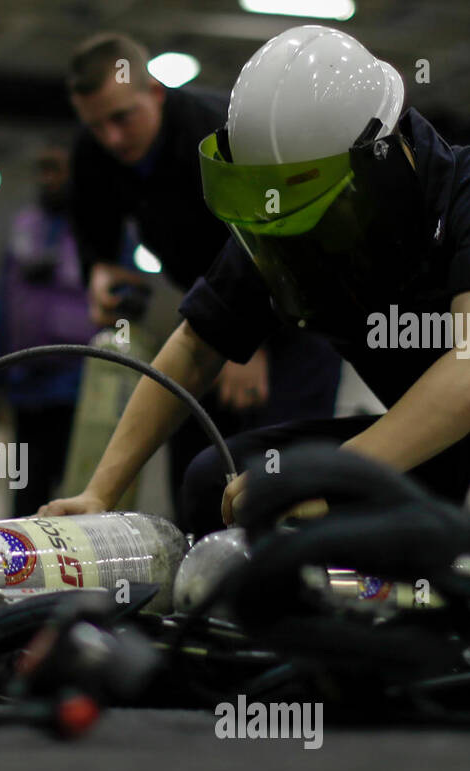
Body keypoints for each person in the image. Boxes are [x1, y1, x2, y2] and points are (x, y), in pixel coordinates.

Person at [42, 24, 470, 537]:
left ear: (380, 154)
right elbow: (196, 344)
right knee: (217, 485)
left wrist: (333, 474)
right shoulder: (295, 218)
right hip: (438, 458)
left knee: (306, 492)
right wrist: (100, 492)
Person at [64, 33, 342, 525]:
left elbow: (269, 243)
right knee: (200, 478)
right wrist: (99, 275)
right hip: (215, 314)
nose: (112, 137)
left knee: (276, 482)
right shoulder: (93, 154)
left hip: (295, 312)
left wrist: (249, 343)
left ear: (155, 91)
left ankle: (290, 584)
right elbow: (97, 242)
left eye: (122, 117)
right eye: (97, 125)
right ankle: (202, 585)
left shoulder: (221, 136)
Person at [0, 145, 95, 516]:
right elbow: (3, 301)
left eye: (57, 170)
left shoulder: (98, 228)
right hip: (27, 388)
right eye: (43, 170)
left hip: (80, 388)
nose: (48, 179)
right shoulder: (24, 227)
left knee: (76, 491)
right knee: (25, 494)